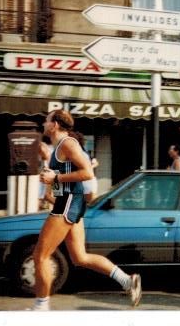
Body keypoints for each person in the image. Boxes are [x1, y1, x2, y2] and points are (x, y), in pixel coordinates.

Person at [33, 109, 141, 310]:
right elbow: (66, 180)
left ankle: (41, 308)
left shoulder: (67, 143)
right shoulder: (60, 147)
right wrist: (50, 184)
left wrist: (54, 178)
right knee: (79, 257)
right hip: (71, 202)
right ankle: (127, 280)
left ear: (55, 124)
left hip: (68, 203)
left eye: (46, 121)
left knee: (40, 256)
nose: (43, 124)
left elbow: (87, 172)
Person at [68, 131, 99, 203]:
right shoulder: (83, 152)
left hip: (85, 182)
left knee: (90, 205)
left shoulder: (81, 153)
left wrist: (87, 168)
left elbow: (95, 162)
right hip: (86, 182)